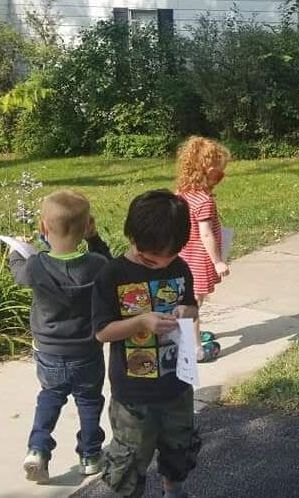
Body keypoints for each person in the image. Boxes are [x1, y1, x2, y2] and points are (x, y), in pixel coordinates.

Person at [93, 189, 201, 498]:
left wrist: (186, 312)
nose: (155, 265)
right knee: (130, 458)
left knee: (179, 447)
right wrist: (141, 322)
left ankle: (174, 491)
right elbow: (102, 332)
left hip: (177, 383)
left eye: (162, 259)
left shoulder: (180, 268)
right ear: (132, 237)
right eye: (146, 258)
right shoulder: (112, 274)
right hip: (133, 394)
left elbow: (192, 307)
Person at [9, 190, 111, 483]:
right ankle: (91, 456)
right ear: (87, 225)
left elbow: (18, 271)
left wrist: (17, 251)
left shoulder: (36, 266)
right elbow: (109, 263)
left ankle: (38, 450)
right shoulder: (95, 265)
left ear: (43, 228)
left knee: (50, 398)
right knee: (89, 402)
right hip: (87, 352)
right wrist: (93, 238)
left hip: (49, 353)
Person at [175, 136, 231, 361]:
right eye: (219, 173)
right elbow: (206, 233)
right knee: (192, 305)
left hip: (184, 255)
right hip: (199, 259)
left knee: (190, 300)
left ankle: (190, 335)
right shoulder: (204, 201)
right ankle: (194, 349)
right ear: (207, 171)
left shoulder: (182, 193)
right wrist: (218, 261)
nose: (220, 178)